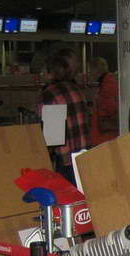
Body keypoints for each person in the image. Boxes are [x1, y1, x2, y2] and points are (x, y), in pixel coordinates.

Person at [37, 53, 90, 184]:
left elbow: (53, 137)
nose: (41, 75)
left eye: (44, 72)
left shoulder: (49, 94)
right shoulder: (76, 89)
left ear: (51, 73)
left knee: (67, 194)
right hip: (85, 153)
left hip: (66, 159)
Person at [87, 57, 119, 148]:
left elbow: (108, 111)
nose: (89, 75)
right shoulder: (108, 83)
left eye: (90, 71)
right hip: (107, 138)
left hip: (104, 139)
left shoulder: (108, 86)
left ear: (96, 70)